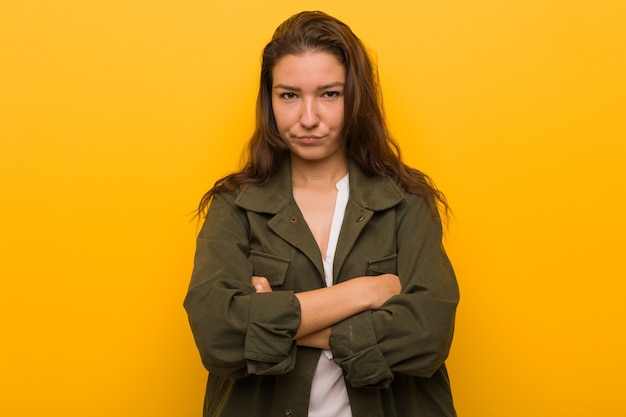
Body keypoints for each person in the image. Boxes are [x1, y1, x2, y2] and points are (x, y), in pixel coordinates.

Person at [184, 10, 459, 417]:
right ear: (269, 100)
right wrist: (361, 293)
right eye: (289, 95)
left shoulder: (406, 200)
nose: (308, 118)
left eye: (329, 94)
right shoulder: (234, 205)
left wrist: (274, 318)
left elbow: (428, 334)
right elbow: (217, 334)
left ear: (355, 97)